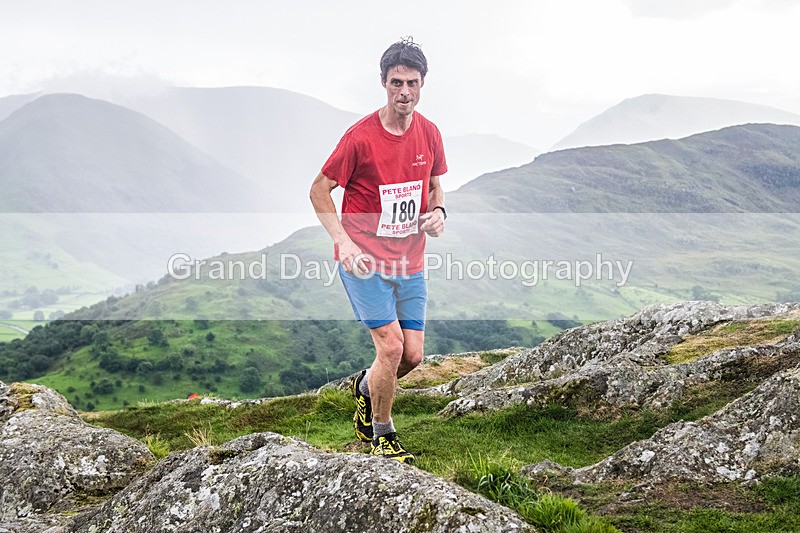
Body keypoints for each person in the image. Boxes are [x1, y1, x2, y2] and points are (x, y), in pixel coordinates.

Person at [309, 37, 447, 463]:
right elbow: (318, 191)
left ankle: (366, 387)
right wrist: (344, 242)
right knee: (389, 349)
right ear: (383, 84)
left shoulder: (429, 133)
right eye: (396, 83)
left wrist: (439, 211)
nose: (404, 91)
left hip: (411, 262)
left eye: (412, 82)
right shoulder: (360, 138)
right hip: (364, 261)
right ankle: (381, 434)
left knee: (412, 355)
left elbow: (434, 185)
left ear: (423, 84)